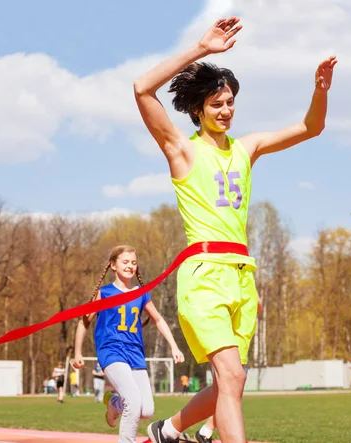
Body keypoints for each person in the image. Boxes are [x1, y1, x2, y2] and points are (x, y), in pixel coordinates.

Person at [134, 16, 335, 443]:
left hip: (242, 277)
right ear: (197, 110)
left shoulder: (248, 148)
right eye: (216, 104)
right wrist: (201, 50)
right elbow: (141, 88)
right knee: (228, 374)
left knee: (234, 381)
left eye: (229, 103)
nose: (225, 111)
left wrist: (319, 92)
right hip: (204, 274)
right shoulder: (181, 151)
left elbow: (311, 128)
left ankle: (167, 431)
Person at [72, 245, 185, 443]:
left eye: (133, 262)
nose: (130, 266)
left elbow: (158, 319)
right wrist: (77, 352)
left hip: (135, 354)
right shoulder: (104, 293)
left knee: (146, 410)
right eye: (125, 262)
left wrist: (174, 346)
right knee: (133, 401)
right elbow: (84, 322)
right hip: (111, 351)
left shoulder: (141, 293)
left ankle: (114, 404)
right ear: (113, 265)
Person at [195, 296, 263, 443]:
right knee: (226, 393)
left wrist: (251, 300)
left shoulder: (243, 283)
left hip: (240, 348)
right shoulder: (222, 290)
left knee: (228, 394)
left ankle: (203, 430)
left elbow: (258, 307)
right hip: (224, 346)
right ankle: (174, 428)